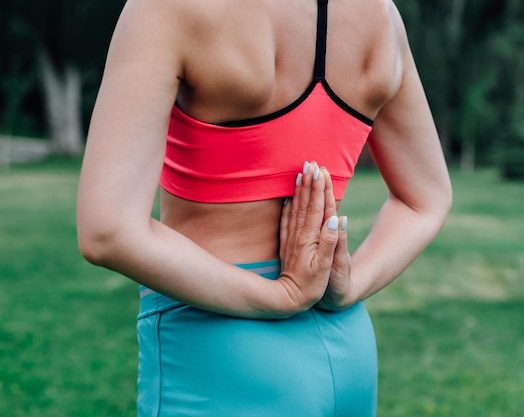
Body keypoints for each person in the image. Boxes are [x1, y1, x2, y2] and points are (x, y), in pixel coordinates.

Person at [76, 0, 452, 415]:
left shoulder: (170, 8)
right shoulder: (381, 16)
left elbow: (107, 231)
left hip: (220, 347)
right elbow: (427, 199)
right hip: (347, 351)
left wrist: (283, 296)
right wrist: (350, 286)